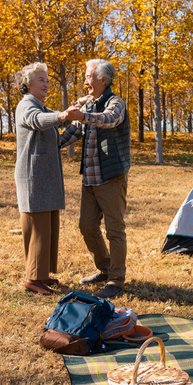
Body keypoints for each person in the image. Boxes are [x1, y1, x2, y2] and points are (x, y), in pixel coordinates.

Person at [59, 59, 131, 299]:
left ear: (103, 80)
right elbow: (72, 133)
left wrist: (83, 114)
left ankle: (116, 280)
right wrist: (48, 142)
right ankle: (105, 268)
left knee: (114, 230)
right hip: (90, 179)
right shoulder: (88, 105)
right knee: (87, 226)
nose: (85, 81)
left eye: (89, 76)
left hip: (110, 177)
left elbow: (109, 120)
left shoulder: (115, 103)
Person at [14, 62, 75, 295]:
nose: (46, 84)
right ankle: (33, 279)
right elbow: (38, 121)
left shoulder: (42, 106)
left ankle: (42, 274)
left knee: (48, 227)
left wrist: (74, 115)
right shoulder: (26, 106)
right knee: (38, 228)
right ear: (27, 84)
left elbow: (57, 130)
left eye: (48, 80)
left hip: (45, 178)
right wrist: (62, 115)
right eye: (41, 79)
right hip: (34, 177)